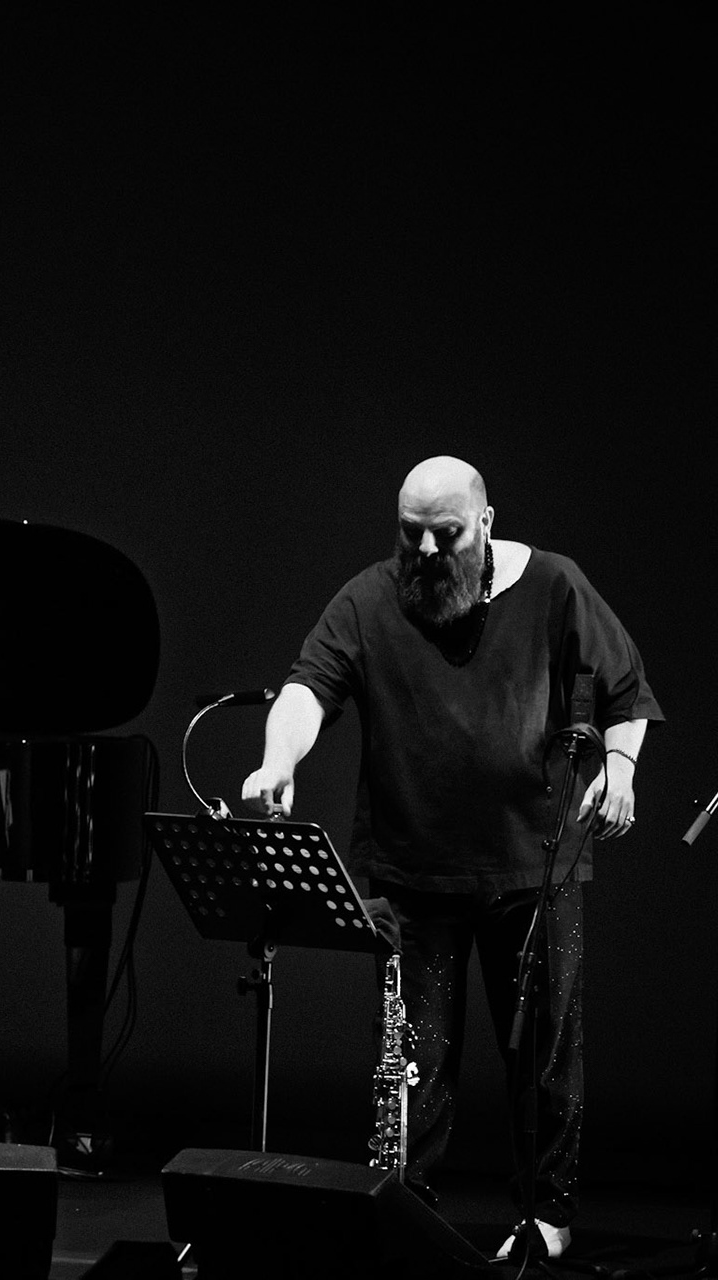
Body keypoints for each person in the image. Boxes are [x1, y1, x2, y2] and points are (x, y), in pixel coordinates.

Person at [241, 455, 659, 1262]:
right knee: (411, 1062)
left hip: (534, 867)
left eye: (448, 534)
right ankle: (407, 1210)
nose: (428, 552)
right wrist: (278, 760)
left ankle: (547, 1216)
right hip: (413, 871)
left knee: (544, 1049)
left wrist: (623, 767)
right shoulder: (369, 598)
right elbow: (308, 689)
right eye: (412, 534)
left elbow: (624, 687)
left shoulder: (555, 584)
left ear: (487, 524)